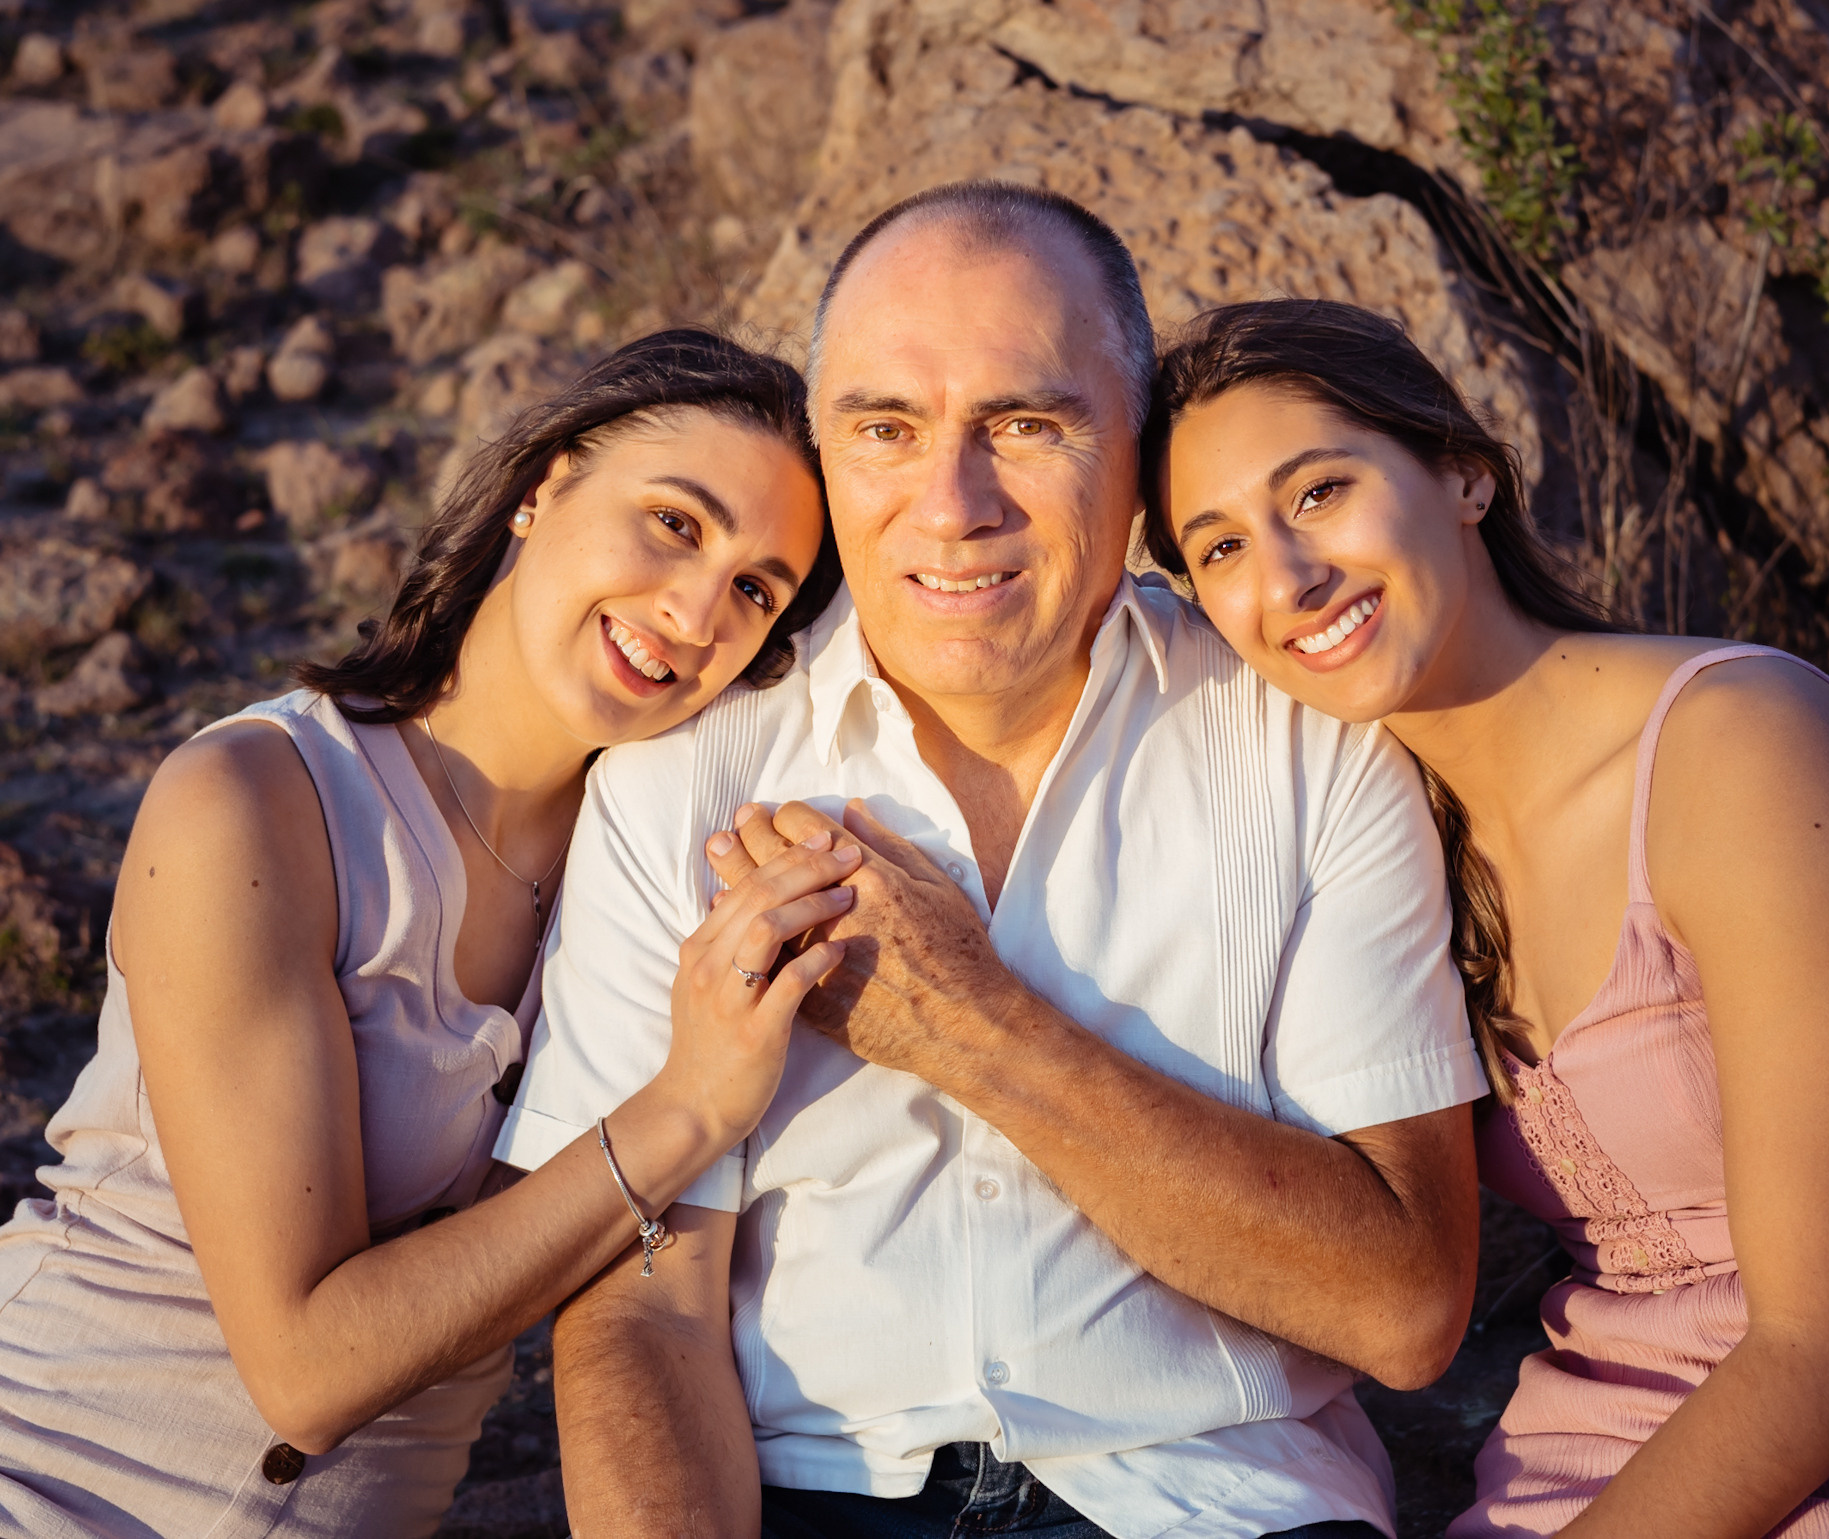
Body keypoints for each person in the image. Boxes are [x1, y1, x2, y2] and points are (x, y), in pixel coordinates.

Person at [497, 182, 1489, 1539]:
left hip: (1211, 1496)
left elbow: (1405, 1307)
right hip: (812, 1496)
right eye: (886, 430)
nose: (952, 505)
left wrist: (968, 1025)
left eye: (1025, 426)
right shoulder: (685, 775)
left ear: (1134, 453)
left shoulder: (1309, 740)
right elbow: (643, 1306)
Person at [1143, 296, 1829, 1537]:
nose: (1288, 578)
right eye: (1219, 549)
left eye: (1317, 492)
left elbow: (1822, 1355)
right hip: (1587, 1461)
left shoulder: (1740, 751)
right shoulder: (1376, 840)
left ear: (1462, 474)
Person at [0, 329, 850, 1538]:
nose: (693, 609)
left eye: (757, 589)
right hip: (48, 1485)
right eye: (673, 523)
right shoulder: (257, 804)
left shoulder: (655, 866)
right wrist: (686, 1111)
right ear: (544, 486)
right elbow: (305, 1373)